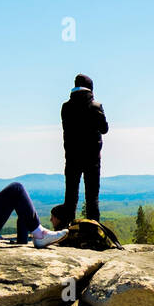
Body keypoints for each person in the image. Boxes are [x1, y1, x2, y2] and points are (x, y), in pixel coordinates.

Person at [57, 74, 108, 225]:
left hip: (72, 157)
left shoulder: (66, 107)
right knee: (92, 198)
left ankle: (66, 230)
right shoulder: (95, 107)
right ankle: (93, 231)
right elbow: (104, 129)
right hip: (92, 158)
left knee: (70, 196)